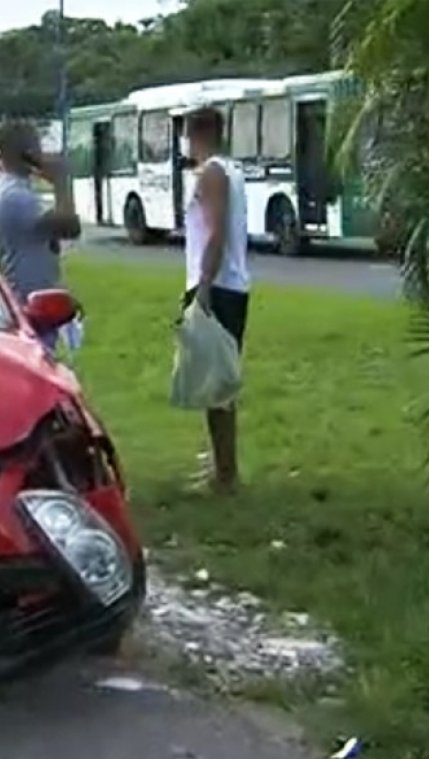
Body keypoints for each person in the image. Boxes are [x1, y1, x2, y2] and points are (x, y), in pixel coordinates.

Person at [181, 106, 251, 493]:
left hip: (216, 286)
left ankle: (225, 474)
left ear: (195, 134)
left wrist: (204, 286)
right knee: (216, 380)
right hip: (229, 285)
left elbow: (215, 232)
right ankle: (219, 465)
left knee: (215, 383)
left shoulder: (211, 173)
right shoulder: (230, 170)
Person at [0, 119, 81, 351]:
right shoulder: (14, 196)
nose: (42, 153)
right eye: (36, 147)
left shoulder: (15, 189)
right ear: (26, 152)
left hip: (35, 300)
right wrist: (61, 183)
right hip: (28, 302)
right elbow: (70, 227)